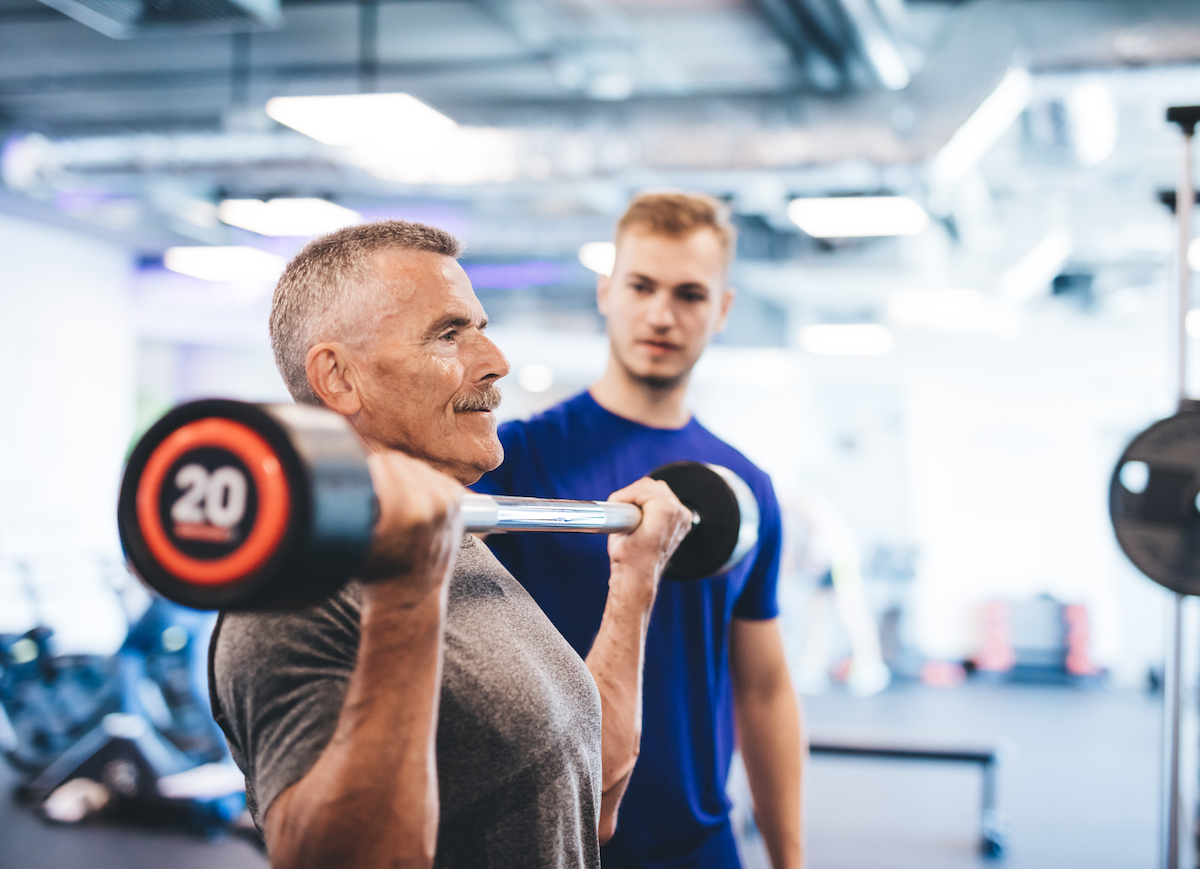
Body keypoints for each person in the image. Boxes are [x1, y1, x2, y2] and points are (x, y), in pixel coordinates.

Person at [208, 220, 694, 869]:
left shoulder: (461, 542)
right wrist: (404, 599)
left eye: (481, 327)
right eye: (448, 334)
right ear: (339, 377)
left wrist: (635, 580)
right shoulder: (297, 596)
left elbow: (591, 794)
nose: (495, 360)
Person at [474, 192, 805, 869]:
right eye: (641, 285)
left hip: (700, 845)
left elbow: (764, 687)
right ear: (606, 291)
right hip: (554, 842)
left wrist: (789, 859)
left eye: (689, 293)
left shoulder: (749, 487)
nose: (661, 313)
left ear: (722, 309)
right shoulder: (513, 460)